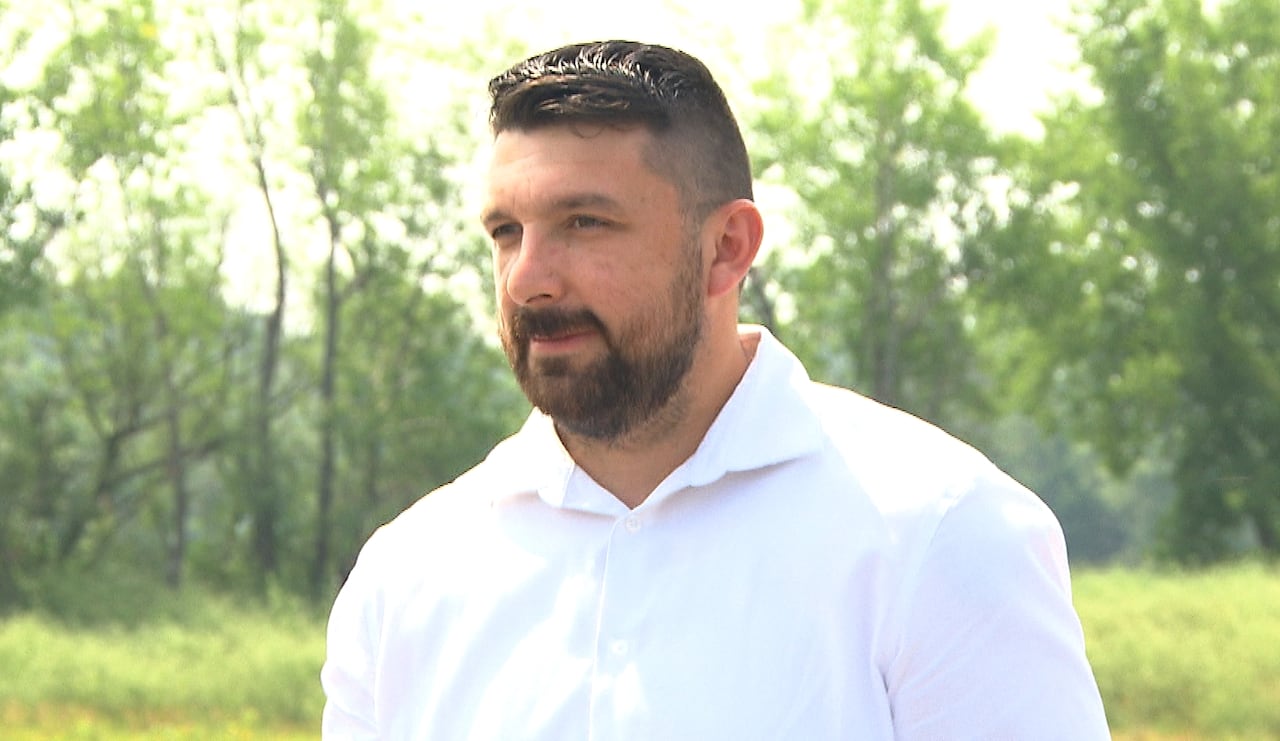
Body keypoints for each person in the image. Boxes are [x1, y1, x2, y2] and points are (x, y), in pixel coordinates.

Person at [321, 40, 1110, 739]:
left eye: (585, 222)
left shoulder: (941, 536)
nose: (527, 277)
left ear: (727, 248)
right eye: (506, 232)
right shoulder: (406, 579)